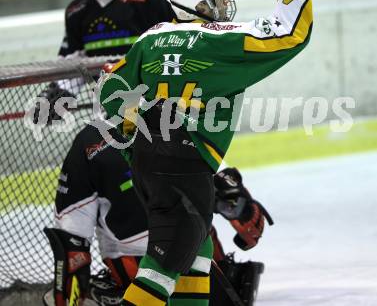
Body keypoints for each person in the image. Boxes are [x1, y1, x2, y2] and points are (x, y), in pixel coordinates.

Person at [99, 0, 315, 305]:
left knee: (195, 258)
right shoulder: (216, 40)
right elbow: (288, 34)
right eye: (213, 0)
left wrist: (134, 124)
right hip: (185, 168)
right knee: (161, 270)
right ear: (195, 5)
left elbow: (110, 87)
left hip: (147, 167)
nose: (221, 6)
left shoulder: (150, 39)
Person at [43, 121, 269, 306]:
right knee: (195, 228)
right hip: (196, 267)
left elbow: (72, 244)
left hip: (138, 276)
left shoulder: (90, 142)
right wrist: (238, 206)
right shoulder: (182, 122)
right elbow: (242, 215)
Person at [35, 0, 174, 121]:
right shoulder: (77, 11)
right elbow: (74, 61)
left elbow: (181, 34)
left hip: (158, 99)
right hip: (111, 104)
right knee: (85, 147)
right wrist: (59, 93)